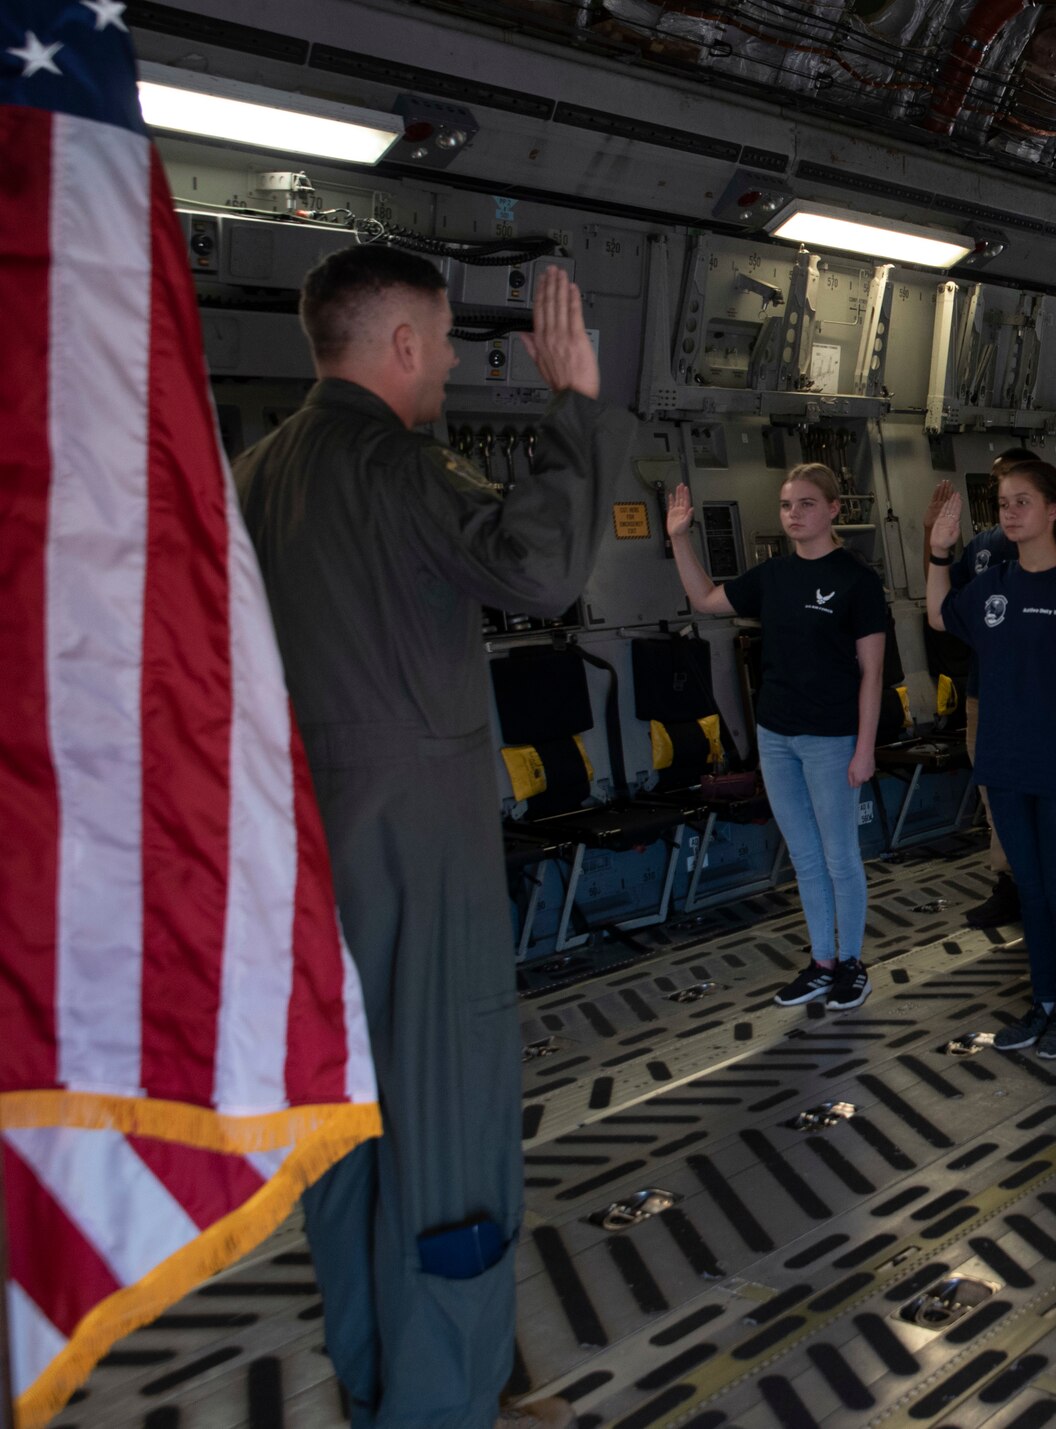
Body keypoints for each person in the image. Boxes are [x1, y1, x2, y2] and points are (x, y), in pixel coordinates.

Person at [235, 248, 635, 1429]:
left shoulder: (253, 476)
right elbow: (541, 566)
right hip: (422, 859)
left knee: (347, 1145)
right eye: (450, 337)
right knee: (449, 1136)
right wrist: (575, 407)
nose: (455, 360)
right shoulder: (398, 467)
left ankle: (377, 1389)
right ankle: (447, 1405)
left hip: (309, 863)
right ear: (401, 343)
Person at [667, 465, 889, 1011]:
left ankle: (853, 964)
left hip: (831, 739)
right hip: (777, 736)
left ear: (835, 510)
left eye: (807, 504)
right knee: (806, 856)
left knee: (840, 857)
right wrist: (678, 538)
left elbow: (872, 673)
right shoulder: (771, 577)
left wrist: (865, 749)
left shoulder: (857, 582)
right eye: (788, 505)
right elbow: (704, 600)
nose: (794, 514)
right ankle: (822, 962)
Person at [927, 462, 1056, 1058]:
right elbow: (939, 615)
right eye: (1003, 503)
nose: (1008, 512)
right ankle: (1042, 1002)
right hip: (1005, 765)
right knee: (1031, 890)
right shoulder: (994, 584)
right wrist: (938, 553)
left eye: (1022, 502)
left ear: (1054, 510)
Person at [924, 446, 1042, 929]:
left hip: (1037, 694)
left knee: (1042, 793)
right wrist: (934, 541)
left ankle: (1044, 883)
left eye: (1018, 491)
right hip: (984, 692)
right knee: (997, 796)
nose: (1007, 502)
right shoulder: (982, 548)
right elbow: (943, 605)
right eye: (1000, 491)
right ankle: (1011, 884)